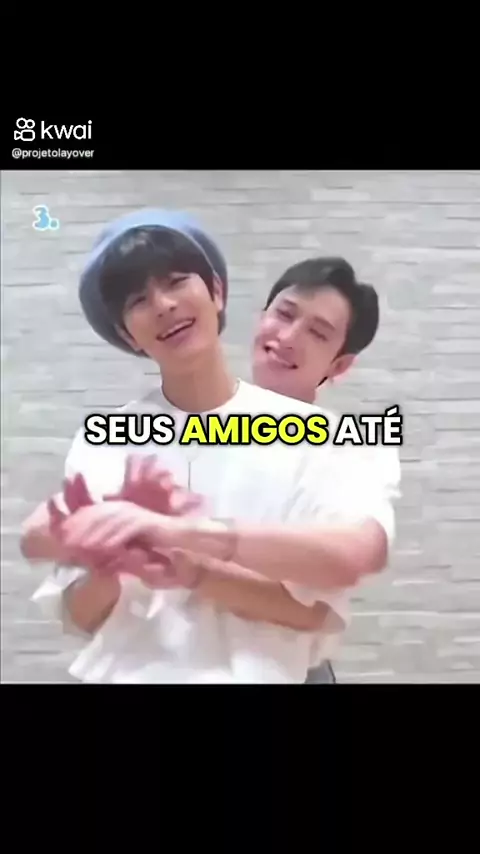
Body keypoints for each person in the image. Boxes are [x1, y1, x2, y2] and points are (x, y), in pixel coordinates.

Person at [22, 209, 398, 683]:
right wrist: (109, 567)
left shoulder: (319, 436)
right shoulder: (106, 439)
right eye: (138, 300)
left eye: (177, 281)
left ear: (216, 291)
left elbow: (333, 584)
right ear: (126, 334)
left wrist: (182, 547)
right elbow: (80, 613)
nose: (163, 305)